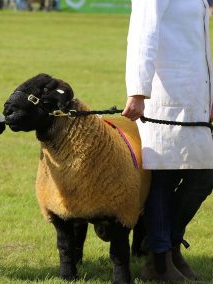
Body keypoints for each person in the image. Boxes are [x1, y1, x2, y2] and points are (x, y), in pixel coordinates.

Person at [122, 0, 213, 282]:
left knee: (205, 174)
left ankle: (167, 245)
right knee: (162, 176)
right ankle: (160, 261)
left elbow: (200, 47)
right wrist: (137, 91)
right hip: (163, 98)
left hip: (194, 96)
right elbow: (142, 33)